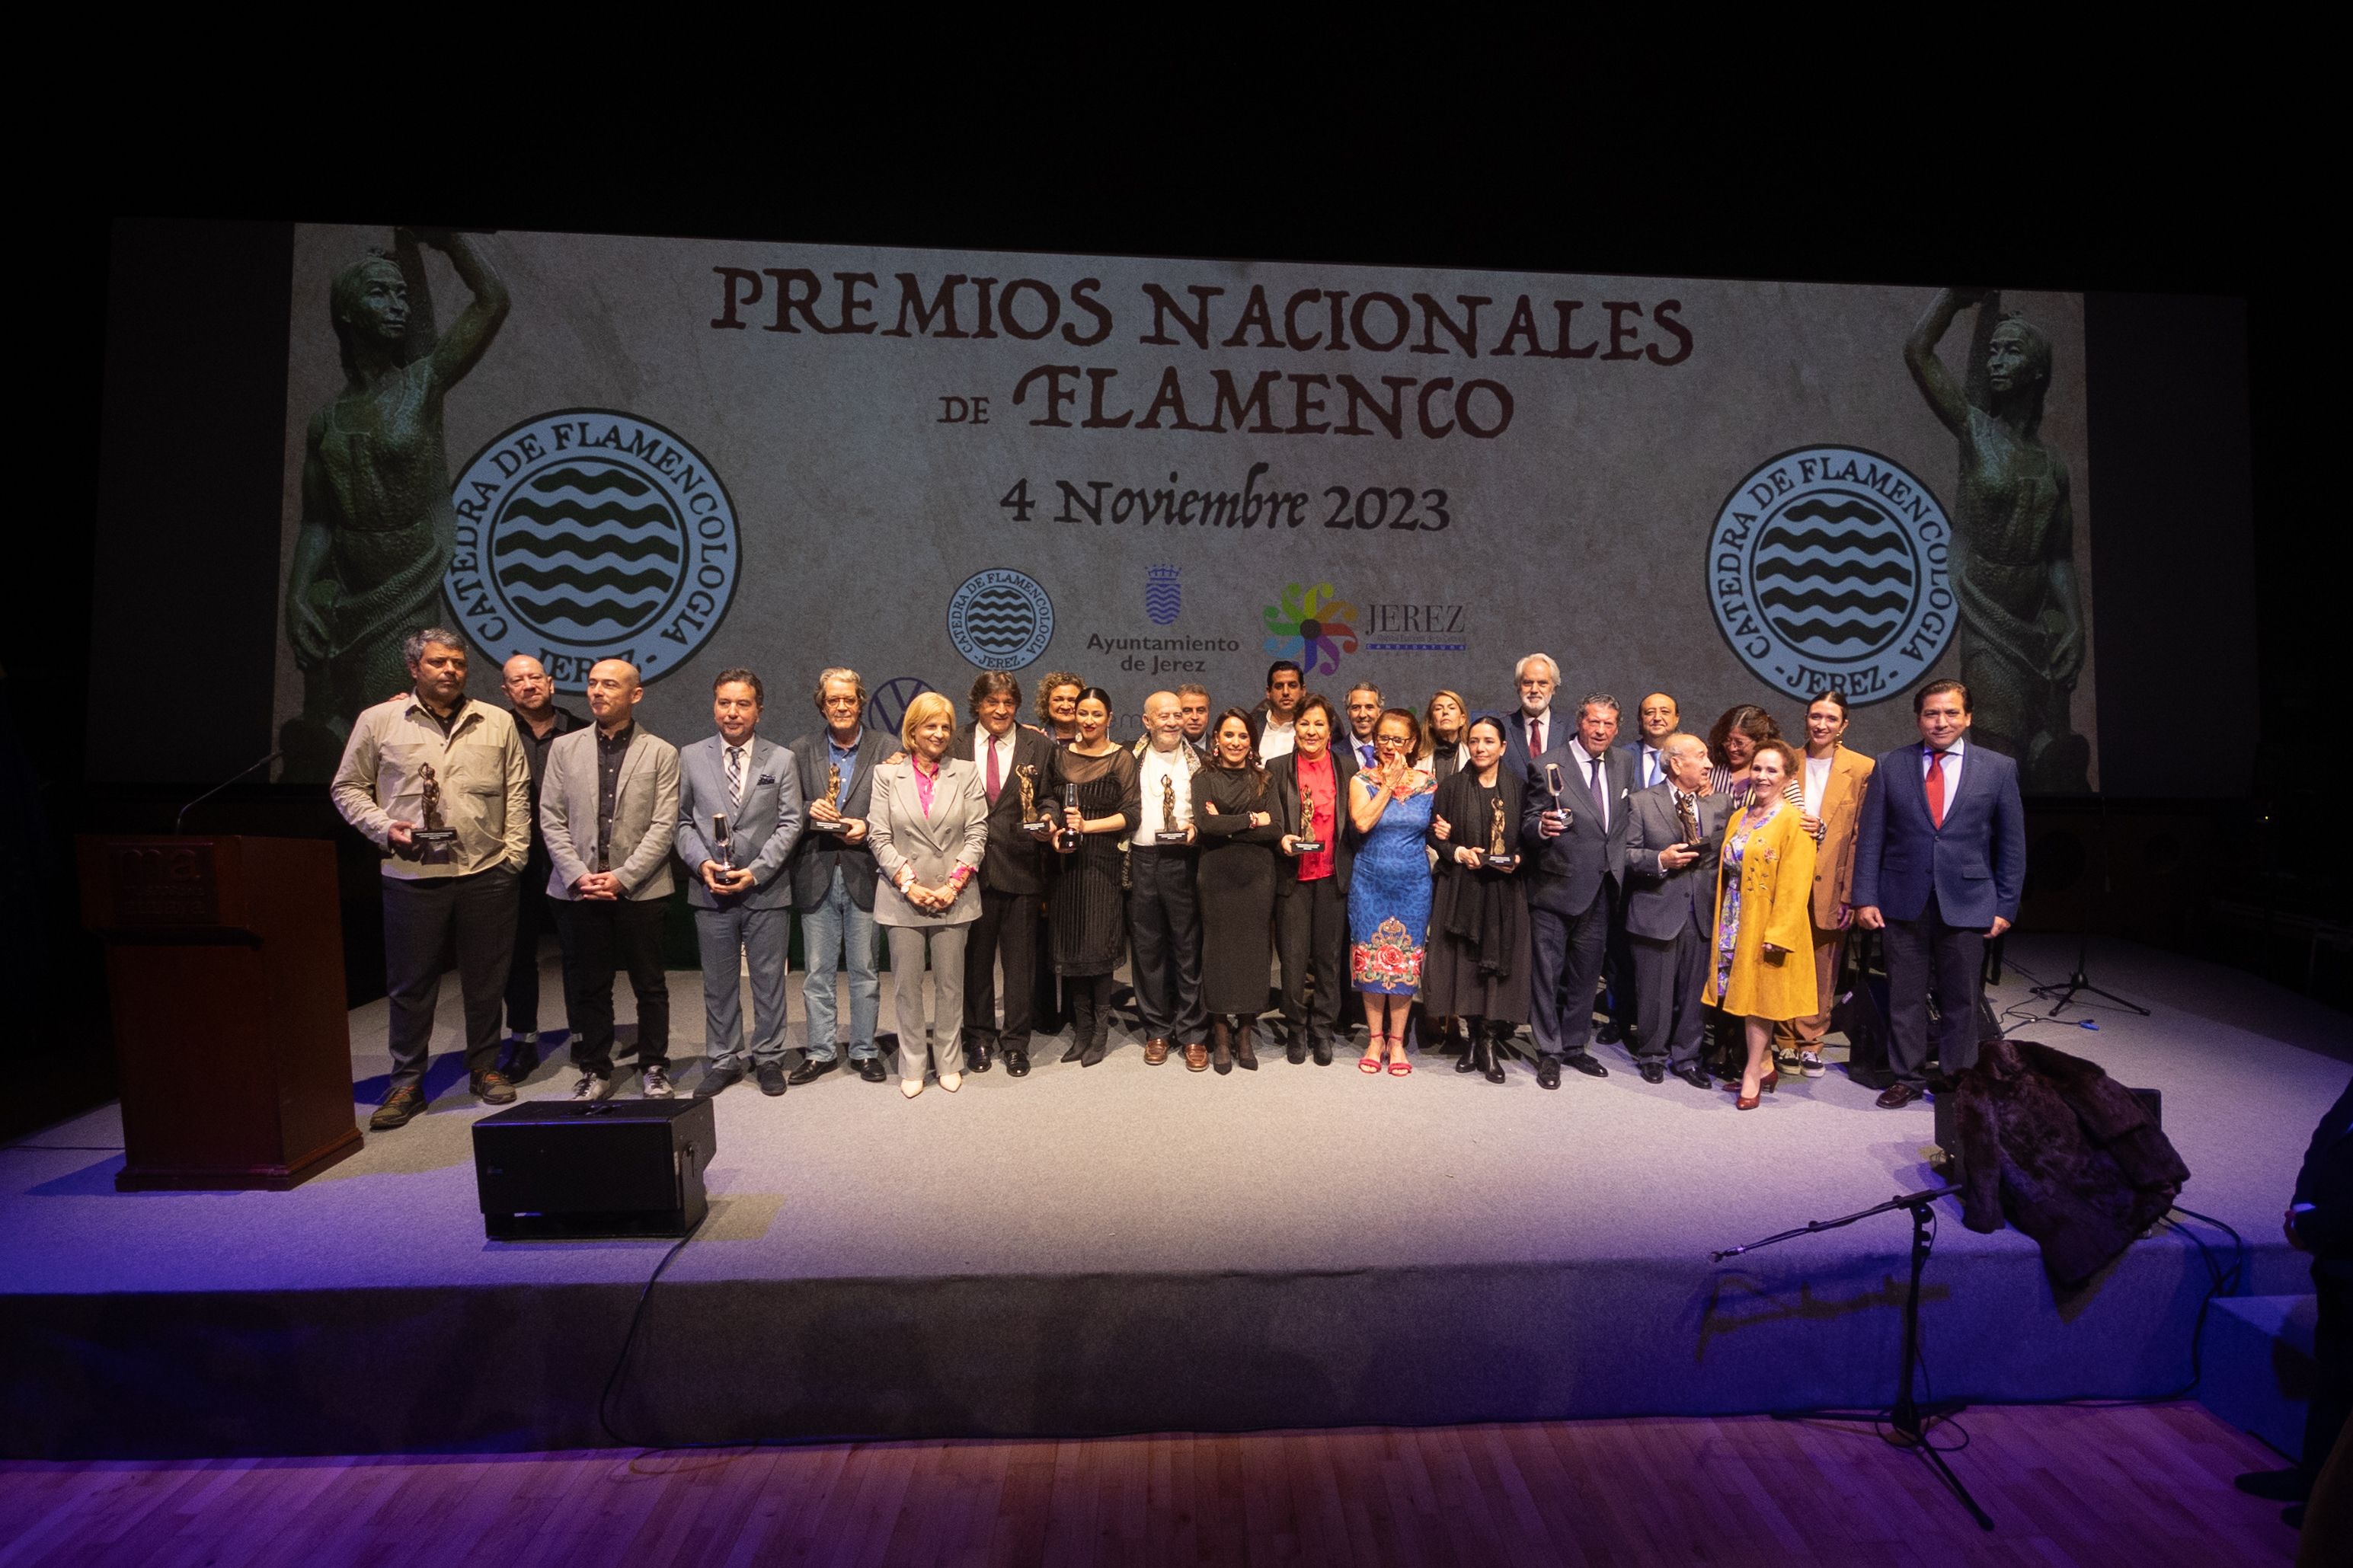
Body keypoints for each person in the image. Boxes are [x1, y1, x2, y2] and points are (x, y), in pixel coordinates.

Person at [280, 231, 508, 775]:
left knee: (390, 726)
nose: (397, 306)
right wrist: (297, 595)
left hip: (405, 582)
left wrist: (449, 240)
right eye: (380, 294)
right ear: (348, 311)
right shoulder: (328, 419)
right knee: (326, 734)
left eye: (403, 295)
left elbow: (492, 301)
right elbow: (318, 521)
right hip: (343, 589)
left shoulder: (422, 382)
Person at [330, 628, 530, 1129]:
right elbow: (347, 787)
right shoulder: (379, 720)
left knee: (486, 981)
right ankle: (406, 1081)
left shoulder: (497, 720)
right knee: (411, 985)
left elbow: (517, 792)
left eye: (458, 663)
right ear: (414, 668)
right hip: (411, 873)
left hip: (486, 871)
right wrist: (383, 828)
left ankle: (484, 1067)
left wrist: (514, 857)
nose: (450, 671)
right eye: (439, 662)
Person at [1905, 288, 2089, 790]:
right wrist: (1953, 298)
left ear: (2037, 369)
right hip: (1988, 612)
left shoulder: (2051, 462)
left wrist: (2075, 623)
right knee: (1996, 748)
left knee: (2049, 759)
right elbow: (1918, 350)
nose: (1996, 361)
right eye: (1992, 351)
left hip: (2039, 622)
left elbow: (2057, 556)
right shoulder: (1975, 430)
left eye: (2010, 351)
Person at [1852, 679, 2026, 1109]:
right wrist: (1865, 896)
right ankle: (1907, 1078)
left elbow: (2012, 844)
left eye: (1951, 713)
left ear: (1968, 718)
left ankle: (1956, 1081)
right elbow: (1871, 838)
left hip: (1969, 900)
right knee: (1904, 996)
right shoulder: (1890, 764)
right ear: (1919, 719)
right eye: (1932, 713)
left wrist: (2006, 906)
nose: (1941, 722)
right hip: (1901, 899)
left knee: (1962, 999)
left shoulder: (1998, 768)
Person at [540, 659, 682, 1100]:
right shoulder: (564, 749)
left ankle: (654, 1065)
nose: (597, 692)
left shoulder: (661, 752)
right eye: (592, 684)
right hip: (579, 890)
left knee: (650, 985)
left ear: (634, 695)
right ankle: (595, 1069)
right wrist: (578, 875)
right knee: (590, 986)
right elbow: (551, 818)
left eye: (609, 685)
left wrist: (622, 877)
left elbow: (664, 826)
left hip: (640, 890)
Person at [674, 669, 804, 1098]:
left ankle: (768, 1058)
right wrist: (702, 864)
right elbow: (680, 821)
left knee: (768, 981)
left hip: (766, 889)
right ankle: (724, 1059)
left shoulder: (781, 759)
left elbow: (791, 823)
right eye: (724, 703)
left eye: (742, 704)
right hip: (710, 889)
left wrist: (757, 871)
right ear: (714, 706)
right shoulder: (691, 756)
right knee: (718, 983)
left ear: (758, 711)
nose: (732, 712)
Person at [2237, 1074, 2353, 1531]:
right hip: (2337, 1259)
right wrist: (2303, 1208)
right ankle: (2314, 1480)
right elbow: (2328, 1136)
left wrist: (2315, 1225)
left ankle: (2337, 1508)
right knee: (2335, 1374)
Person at [868, 692, 989, 1097]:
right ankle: (914, 1063)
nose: (939, 734)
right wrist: (908, 883)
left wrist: (953, 884)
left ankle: (949, 1061)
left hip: (953, 895)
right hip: (903, 896)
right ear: (913, 730)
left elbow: (977, 831)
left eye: (945, 727)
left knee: (951, 986)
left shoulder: (966, 772)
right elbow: (878, 835)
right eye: (930, 726)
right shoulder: (887, 776)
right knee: (906, 987)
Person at [787, 669, 895, 1085]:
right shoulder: (800, 750)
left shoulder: (888, 748)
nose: (842, 707)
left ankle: (865, 1050)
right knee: (817, 971)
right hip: (816, 870)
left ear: (860, 701)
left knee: (865, 969)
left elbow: (901, 807)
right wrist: (808, 810)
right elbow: (785, 807)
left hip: (865, 869)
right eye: (833, 700)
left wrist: (869, 826)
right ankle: (821, 1052)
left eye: (849, 699)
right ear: (822, 705)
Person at [1522, 692, 1632, 1087]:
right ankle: (1549, 1051)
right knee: (1547, 976)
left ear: (1617, 729)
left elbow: (1618, 825)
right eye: (1594, 722)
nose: (1600, 730)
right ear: (1579, 722)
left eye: (1608, 724)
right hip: (1556, 887)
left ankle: (1574, 1046)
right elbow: (1528, 822)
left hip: (1602, 889)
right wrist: (1541, 827)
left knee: (1586, 976)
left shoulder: (1624, 763)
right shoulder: (1547, 764)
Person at [1704, 740, 1820, 1109]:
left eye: (1772, 770)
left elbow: (1796, 885)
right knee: (1742, 995)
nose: (1762, 776)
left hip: (1768, 922)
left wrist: (1779, 934)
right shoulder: (1740, 816)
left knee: (1759, 1000)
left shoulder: (1795, 822)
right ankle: (1766, 1063)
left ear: (1788, 777)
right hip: (1734, 918)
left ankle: (1752, 1073)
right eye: (1757, 768)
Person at [958, 672, 1057, 1078]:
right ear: (977, 705)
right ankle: (979, 1037)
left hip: (1022, 867)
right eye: (992, 702)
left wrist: (1048, 817)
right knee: (975, 964)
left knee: (1021, 966)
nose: (1001, 710)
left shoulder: (1039, 745)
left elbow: (1049, 795)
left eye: (1009, 703)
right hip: (970, 871)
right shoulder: (956, 742)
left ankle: (1016, 1043)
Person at [1622, 733, 1734, 1090]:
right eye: (1700, 756)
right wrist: (1660, 859)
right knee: (1654, 992)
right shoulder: (1641, 802)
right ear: (1675, 763)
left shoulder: (1720, 804)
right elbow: (1624, 854)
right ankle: (1652, 1055)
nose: (1709, 764)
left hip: (1701, 912)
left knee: (1694, 994)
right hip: (1657, 910)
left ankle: (1687, 1057)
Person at [1775, 690, 1877, 1077]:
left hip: (1832, 883)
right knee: (1781, 958)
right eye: (1815, 716)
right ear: (1806, 719)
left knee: (1823, 966)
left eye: (1831, 719)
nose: (1821, 725)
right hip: (1785, 878)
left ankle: (1811, 1041)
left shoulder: (1863, 768)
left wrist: (1852, 893)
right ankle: (1784, 1039)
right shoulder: (1786, 761)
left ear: (1844, 725)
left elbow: (1861, 837)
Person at [1424, 714, 1530, 1084]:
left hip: (1503, 891)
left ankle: (1488, 1041)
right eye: (1474, 741)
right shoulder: (1452, 787)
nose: (1480, 748)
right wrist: (1457, 851)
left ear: (1503, 747)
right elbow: (1434, 834)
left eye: (1488, 741)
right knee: (1465, 966)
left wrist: (1518, 859)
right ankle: (1471, 1039)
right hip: (1462, 888)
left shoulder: (1520, 788)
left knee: (1496, 968)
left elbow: (1529, 839)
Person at [497, 653, 583, 1077]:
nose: (528, 685)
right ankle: (523, 1041)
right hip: (512, 855)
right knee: (517, 953)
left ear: (551, 683)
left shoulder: (583, 730)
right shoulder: (494, 730)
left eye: (535, 677)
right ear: (506, 691)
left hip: (571, 855)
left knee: (578, 950)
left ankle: (584, 1035)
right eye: (518, 680)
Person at [1049, 688, 1140, 1065]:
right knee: (1071, 946)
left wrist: (1087, 826)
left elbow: (1131, 815)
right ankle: (1082, 1030)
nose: (1088, 721)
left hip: (1102, 864)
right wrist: (1055, 831)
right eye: (1082, 713)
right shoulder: (1059, 755)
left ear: (1110, 718)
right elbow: (1048, 802)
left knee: (1099, 949)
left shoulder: (1121, 758)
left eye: (1096, 714)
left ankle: (1100, 1033)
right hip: (1066, 866)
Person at [1193, 708, 1285, 1073]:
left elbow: (1275, 829)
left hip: (1257, 877)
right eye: (1229, 735)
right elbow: (1206, 825)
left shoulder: (1265, 779)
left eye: (1243, 736)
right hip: (1217, 876)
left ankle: (1245, 1033)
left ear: (1252, 741)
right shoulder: (1204, 777)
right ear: (1217, 739)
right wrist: (1250, 819)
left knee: (1253, 954)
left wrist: (1227, 824)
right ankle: (1220, 1034)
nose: (1236, 742)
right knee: (1217, 953)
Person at [1346, 707, 1437, 1075]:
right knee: (1370, 959)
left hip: (1413, 885)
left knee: (1405, 962)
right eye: (1383, 737)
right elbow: (1362, 822)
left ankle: (1397, 1041)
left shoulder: (1428, 784)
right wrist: (1388, 783)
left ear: (1412, 743)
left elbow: (1436, 829)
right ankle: (1375, 1039)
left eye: (1398, 739)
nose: (1389, 745)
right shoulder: (1361, 780)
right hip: (1370, 882)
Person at [1272, 693, 1360, 1065]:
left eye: (1319, 724)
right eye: (1304, 723)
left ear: (1330, 729)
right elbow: (1272, 820)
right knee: (1293, 961)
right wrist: (1281, 838)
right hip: (1293, 877)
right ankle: (1295, 1027)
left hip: (1331, 876)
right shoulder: (1277, 768)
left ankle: (1322, 1028)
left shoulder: (1347, 767)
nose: (1311, 731)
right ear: (1295, 728)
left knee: (1328, 959)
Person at [1130, 691, 1209, 1068]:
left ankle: (1193, 1033)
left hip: (1183, 861)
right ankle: (1157, 1030)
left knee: (1188, 948)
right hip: (1142, 859)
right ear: (1147, 721)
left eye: (1178, 715)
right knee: (1148, 950)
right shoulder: (1128, 758)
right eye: (1164, 716)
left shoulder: (1202, 762)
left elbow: (1211, 811)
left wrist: (1197, 829)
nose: (1174, 722)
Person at [1705, 704, 1782, 806]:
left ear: (1761, 741)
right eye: (1726, 740)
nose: (1732, 748)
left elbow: (1798, 812)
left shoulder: (1779, 773)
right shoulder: (1709, 766)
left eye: (1739, 743)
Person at [1501, 653, 1560, 781]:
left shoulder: (1572, 729)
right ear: (1518, 687)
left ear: (1553, 688)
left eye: (1542, 683)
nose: (1534, 690)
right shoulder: (1501, 730)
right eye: (1528, 683)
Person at [1622, 692, 1680, 792]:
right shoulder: (1624, 757)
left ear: (1676, 719)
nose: (1657, 718)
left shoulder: (1690, 755)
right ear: (1640, 719)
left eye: (1665, 712)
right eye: (1650, 713)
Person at [1248, 659, 1304, 759]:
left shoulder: (1312, 729)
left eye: (1292, 685)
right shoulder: (1250, 725)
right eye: (1279, 686)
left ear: (1303, 691)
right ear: (1268, 692)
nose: (1286, 692)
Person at [1423, 689, 1470, 783]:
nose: (1445, 712)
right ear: (1430, 721)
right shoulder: (1417, 757)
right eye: (1438, 709)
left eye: (1451, 708)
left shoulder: (1472, 755)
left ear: (1462, 720)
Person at [1342, 683, 1385, 771]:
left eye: (1369, 707)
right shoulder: (1333, 754)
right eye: (1356, 708)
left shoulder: (1390, 751)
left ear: (1380, 713)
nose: (1362, 715)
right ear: (1348, 713)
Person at [1036, 672, 1084, 746]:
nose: (1065, 707)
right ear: (1046, 703)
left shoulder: (1096, 739)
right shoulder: (1034, 738)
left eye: (1072, 700)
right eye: (1058, 700)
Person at [1175, 683, 1214, 758]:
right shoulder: (1164, 750)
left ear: (1208, 713)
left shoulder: (1221, 751)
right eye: (1187, 711)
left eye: (1200, 711)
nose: (1195, 717)